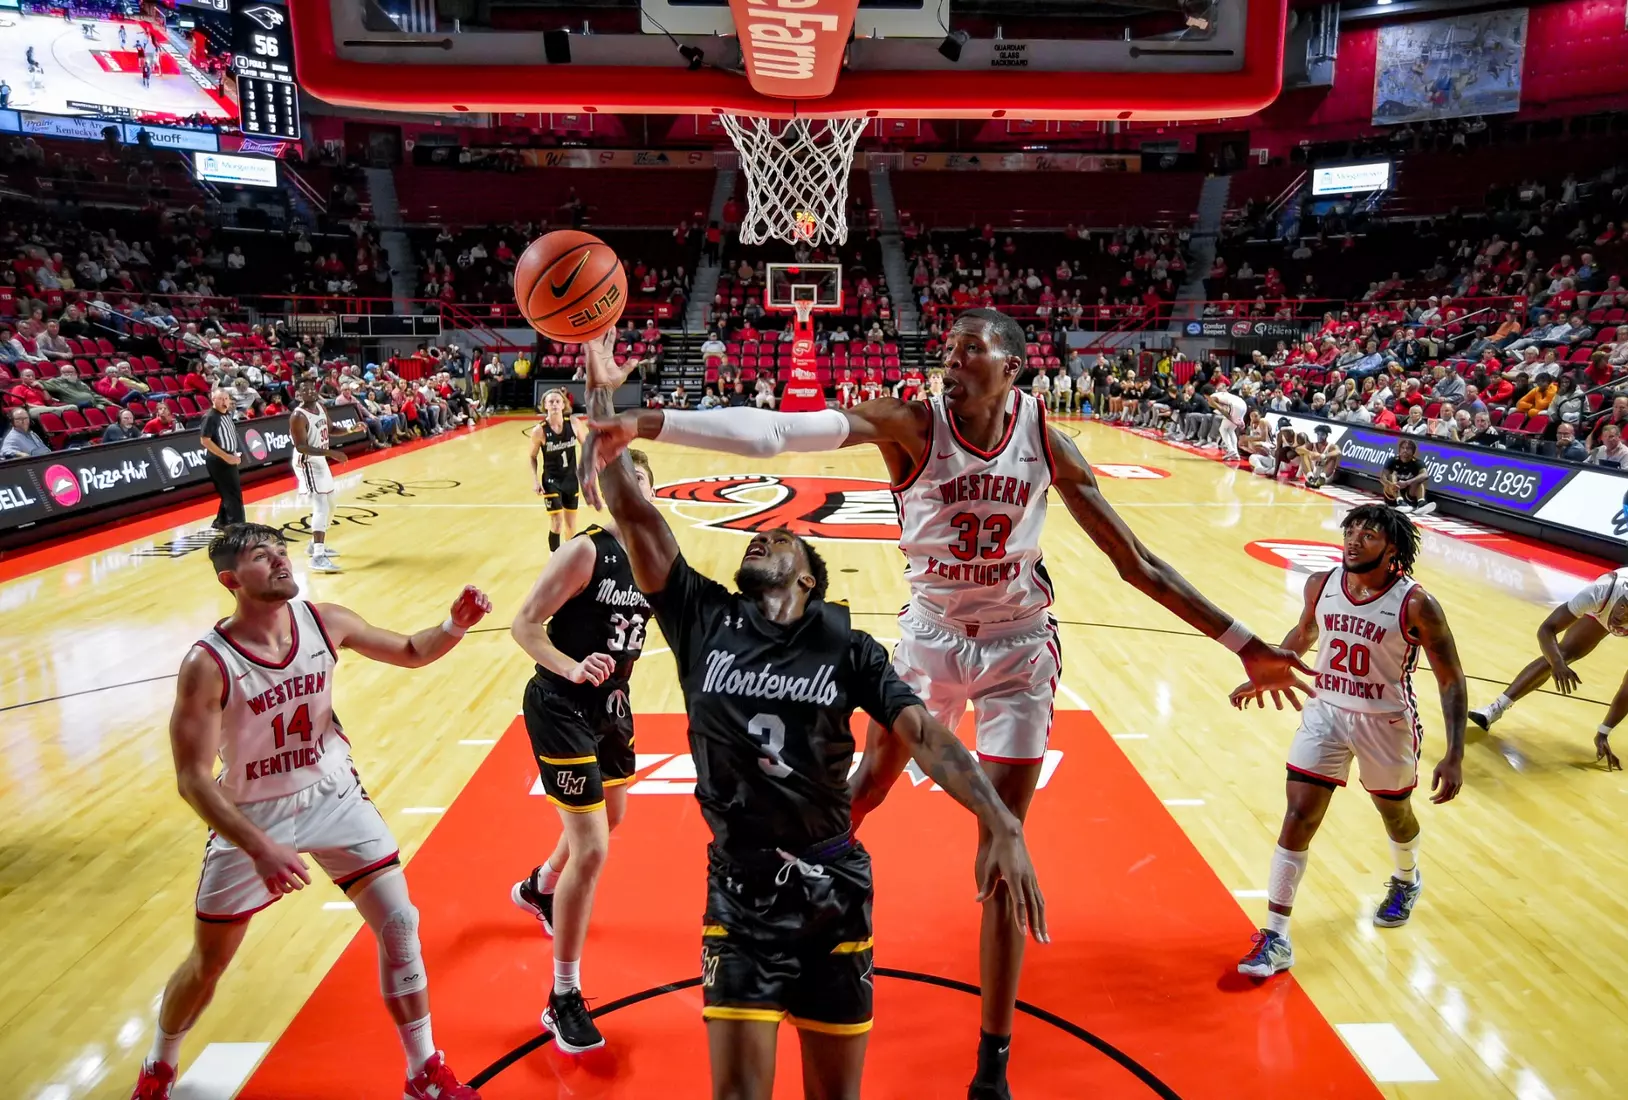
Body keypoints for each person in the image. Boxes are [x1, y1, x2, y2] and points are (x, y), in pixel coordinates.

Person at [579, 307, 1311, 1098]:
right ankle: (795, 916)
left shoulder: (1045, 442)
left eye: (971, 351)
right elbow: (781, 434)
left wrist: (1246, 643)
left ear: (1014, 369)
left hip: (1018, 648)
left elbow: (1135, 563)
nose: (950, 361)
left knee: (1004, 845)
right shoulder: (911, 424)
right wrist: (646, 420)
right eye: (948, 350)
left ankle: (992, 1063)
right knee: (858, 794)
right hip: (930, 634)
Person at [575, 330, 1046, 1100]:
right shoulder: (703, 617)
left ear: (809, 578)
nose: (768, 532)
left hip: (835, 891)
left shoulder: (846, 646)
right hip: (740, 888)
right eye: (760, 535)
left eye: (781, 537)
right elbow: (633, 514)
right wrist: (608, 403)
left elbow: (926, 736)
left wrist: (1001, 820)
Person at [128, 524, 492, 1100]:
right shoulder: (207, 663)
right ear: (230, 580)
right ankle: (159, 1065)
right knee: (208, 964)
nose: (278, 559)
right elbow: (193, 780)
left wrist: (454, 625)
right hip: (251, 815)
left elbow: (413, 651)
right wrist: (260, 846)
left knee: (400, 924)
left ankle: (423, 1069)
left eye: (280, 548)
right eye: (259, 555)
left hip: (332, 793)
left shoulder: (325, 620)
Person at [1234, 504, 1465, 978]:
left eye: (1370, 534)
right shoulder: (1321, 584)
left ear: (1393, 549)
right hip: (1326, 712)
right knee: (1298, 814)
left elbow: (1450, 679)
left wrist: (1455, 753)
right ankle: (1276, 936)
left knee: (1394, 811)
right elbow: (1303, 633)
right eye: (1351, 530)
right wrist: (1268, 670)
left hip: (1385, 722)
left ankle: (1406, 878)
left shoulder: (1416, 604)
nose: (1355, 539)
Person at [508, 449, 660, 1053]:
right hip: (560, 703)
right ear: (601, 491)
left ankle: (540, 886)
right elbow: (524, 625)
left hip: (611, 704)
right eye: (619, 478)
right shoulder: (585, 550)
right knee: (592, 847)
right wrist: (573, 669)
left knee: (612, 818)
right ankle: (563, 996)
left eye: (640, 478)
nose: (631, 487)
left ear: (652, 489)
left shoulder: (655, 555)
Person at [1469, 566, 1628, 770]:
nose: (1622, 615)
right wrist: (1558, 664)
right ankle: (1493, 710)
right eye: (1624, 605)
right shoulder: (1602, 591)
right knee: (1561, 654)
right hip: (1601, 606)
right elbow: (1546, 629)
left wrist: (1604, 732)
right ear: (1622, 595)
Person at [291, 378, 348, 572]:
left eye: (311, 388)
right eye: (304, 390)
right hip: (306, 462)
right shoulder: (298, 416)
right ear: (299, 395)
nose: (309, 392)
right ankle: (317, 556)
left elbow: (330, 429)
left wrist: (351, 430)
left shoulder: (321, 407)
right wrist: (331, 453)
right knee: (321, 506)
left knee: (332, 505)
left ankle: (313, 544)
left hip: (320, 459)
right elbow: (301, 446)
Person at [529, 389, 583, 552]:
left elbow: (586, 445)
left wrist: (584, 468)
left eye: (557, 401)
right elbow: (532, 456)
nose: (554, 404)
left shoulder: (573, 423)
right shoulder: (539, 430)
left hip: (571, 479)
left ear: (563, 404)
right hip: (551, 480)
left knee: (571, 525)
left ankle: (568, 557)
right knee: (557, 522)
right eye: (550, 402)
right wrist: (535, 480)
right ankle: (554, 557)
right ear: (545, 405)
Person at [200, 389, 246, 529]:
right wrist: (227, 457)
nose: (224, 402)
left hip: (229, 456)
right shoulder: (211, 417)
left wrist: (233, 454)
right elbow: (205, 440)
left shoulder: (226, 414)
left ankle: (221, 522)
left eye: (226, 399)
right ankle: (237, 527)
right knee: (233, 493)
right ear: (213, 399)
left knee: (228, 491)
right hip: (218, 459)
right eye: (220, 399)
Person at [1379, 437, 1435, 514]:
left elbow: (1425, 475)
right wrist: (1391, 485)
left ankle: (1421, 504)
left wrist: (1407, 483)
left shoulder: (1417, 462)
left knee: (1420, 481)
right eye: (1403, 448)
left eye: (1408, 449)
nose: (1405, 450)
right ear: (1399, 450)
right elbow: (1382, 478)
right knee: (1392, 476)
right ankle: (1400, 501)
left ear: (1413, 452)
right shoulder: (1392, 460)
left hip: (1408, 495)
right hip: (1392, 495)